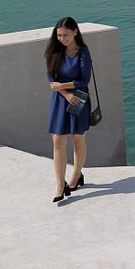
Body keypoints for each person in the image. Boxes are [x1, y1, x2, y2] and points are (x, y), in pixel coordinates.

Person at [45, 16, 94, 203]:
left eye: (65, 35)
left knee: (78, 138)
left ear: (75, 32)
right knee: (58, 139)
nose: (62, 38)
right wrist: (64, 92)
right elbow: (50, 77)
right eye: (59, 35)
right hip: (61, 99)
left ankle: (75, 177)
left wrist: (62, 86)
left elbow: (84, 80)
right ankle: (60, 184)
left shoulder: (83, 52)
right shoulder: (54, 51)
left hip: (79, 99)